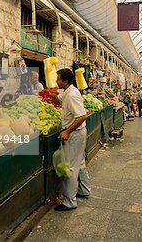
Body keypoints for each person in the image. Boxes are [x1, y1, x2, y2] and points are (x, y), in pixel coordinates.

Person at [53, 68, 91, 211]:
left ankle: (69, 202)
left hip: (75, 134)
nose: (56, 81)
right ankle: (84, 191)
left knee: (70, 167)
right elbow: (59, 101)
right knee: (79, 163)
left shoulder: (72, 95)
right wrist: (53, 94)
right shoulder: (67, 92)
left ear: (65, 81)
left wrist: (67, 131)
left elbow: (81, 116)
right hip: (78, 133)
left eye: (58, 79)